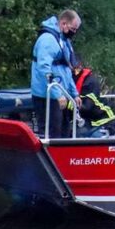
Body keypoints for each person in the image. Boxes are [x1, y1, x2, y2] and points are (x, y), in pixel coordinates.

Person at [31, 10, 82, 138]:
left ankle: (64, 156)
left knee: (64, 132)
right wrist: (57, 94)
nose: (74, 33)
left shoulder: (64, 41)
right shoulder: (48, 40)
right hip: (48, 96)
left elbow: (66, 70)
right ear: (64, 24)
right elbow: (44, 69)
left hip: (61, 95)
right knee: (52, 134)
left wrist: (74, 93)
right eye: (73, 29)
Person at [73, 63, 115, 137]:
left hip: (103, 121)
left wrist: (69, 103)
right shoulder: (70, 79)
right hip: (89, 121)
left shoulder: (89, 82)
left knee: (90, 136)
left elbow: (87, 107)